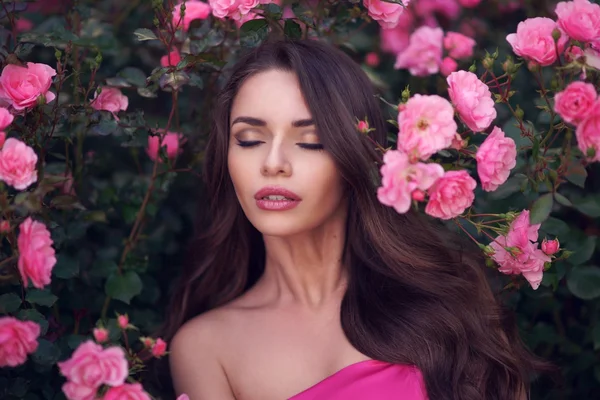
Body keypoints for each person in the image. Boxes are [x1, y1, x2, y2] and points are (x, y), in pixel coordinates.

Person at [161, 39, 546, 400]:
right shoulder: (205, 348)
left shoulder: (449, 303)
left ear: (355, 156)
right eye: (249, 139)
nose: (272, 163)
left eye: (310, 141)